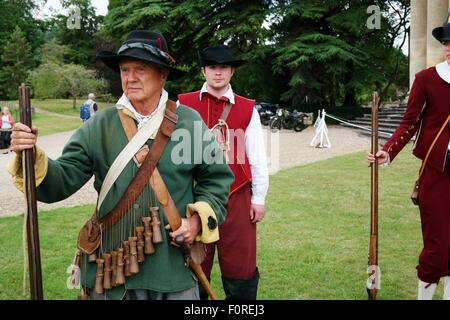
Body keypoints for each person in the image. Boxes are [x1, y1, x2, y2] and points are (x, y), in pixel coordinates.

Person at [7, 30, 233, 300]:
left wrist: (195, 222)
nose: (130, 77)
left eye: (141, 68)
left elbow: (216, 181)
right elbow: (60, 181)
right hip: (110, 275)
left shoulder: (188, 121)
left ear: (163, 75)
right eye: (125, 69)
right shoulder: (99, 126)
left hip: (171, 271)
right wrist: (31, 154)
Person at [367, 13, 450, 300]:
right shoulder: (426, 79)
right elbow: (409, 123)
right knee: (437, 250)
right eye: (446, 42)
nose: (449, 47)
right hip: (437, 174)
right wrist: (388, 150)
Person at [178, 44, 269, 299]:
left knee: (241, 265)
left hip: (237, 196)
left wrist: (259, 198)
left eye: (224, 68)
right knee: (194, 263)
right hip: (194, 197)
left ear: (231, 72)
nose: (218, 73)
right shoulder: (183, 103)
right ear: (203, 71)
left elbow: (257, 156)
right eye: (213, 68)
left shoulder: (248, 107)